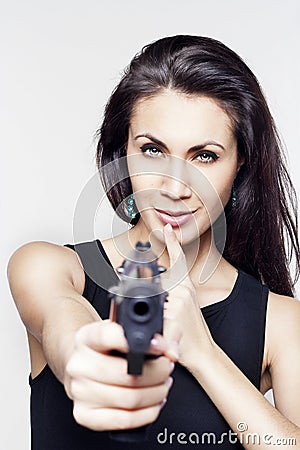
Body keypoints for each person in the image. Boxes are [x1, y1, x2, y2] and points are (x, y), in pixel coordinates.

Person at [7, 34, 300, 449]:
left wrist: (204, 354)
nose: (176, 186)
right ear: (122, 154)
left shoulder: (282, 322)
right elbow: (64, 324)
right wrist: (87, 363)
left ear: (241, 166)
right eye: (152, 150)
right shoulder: (48, 267)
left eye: (205, 156)